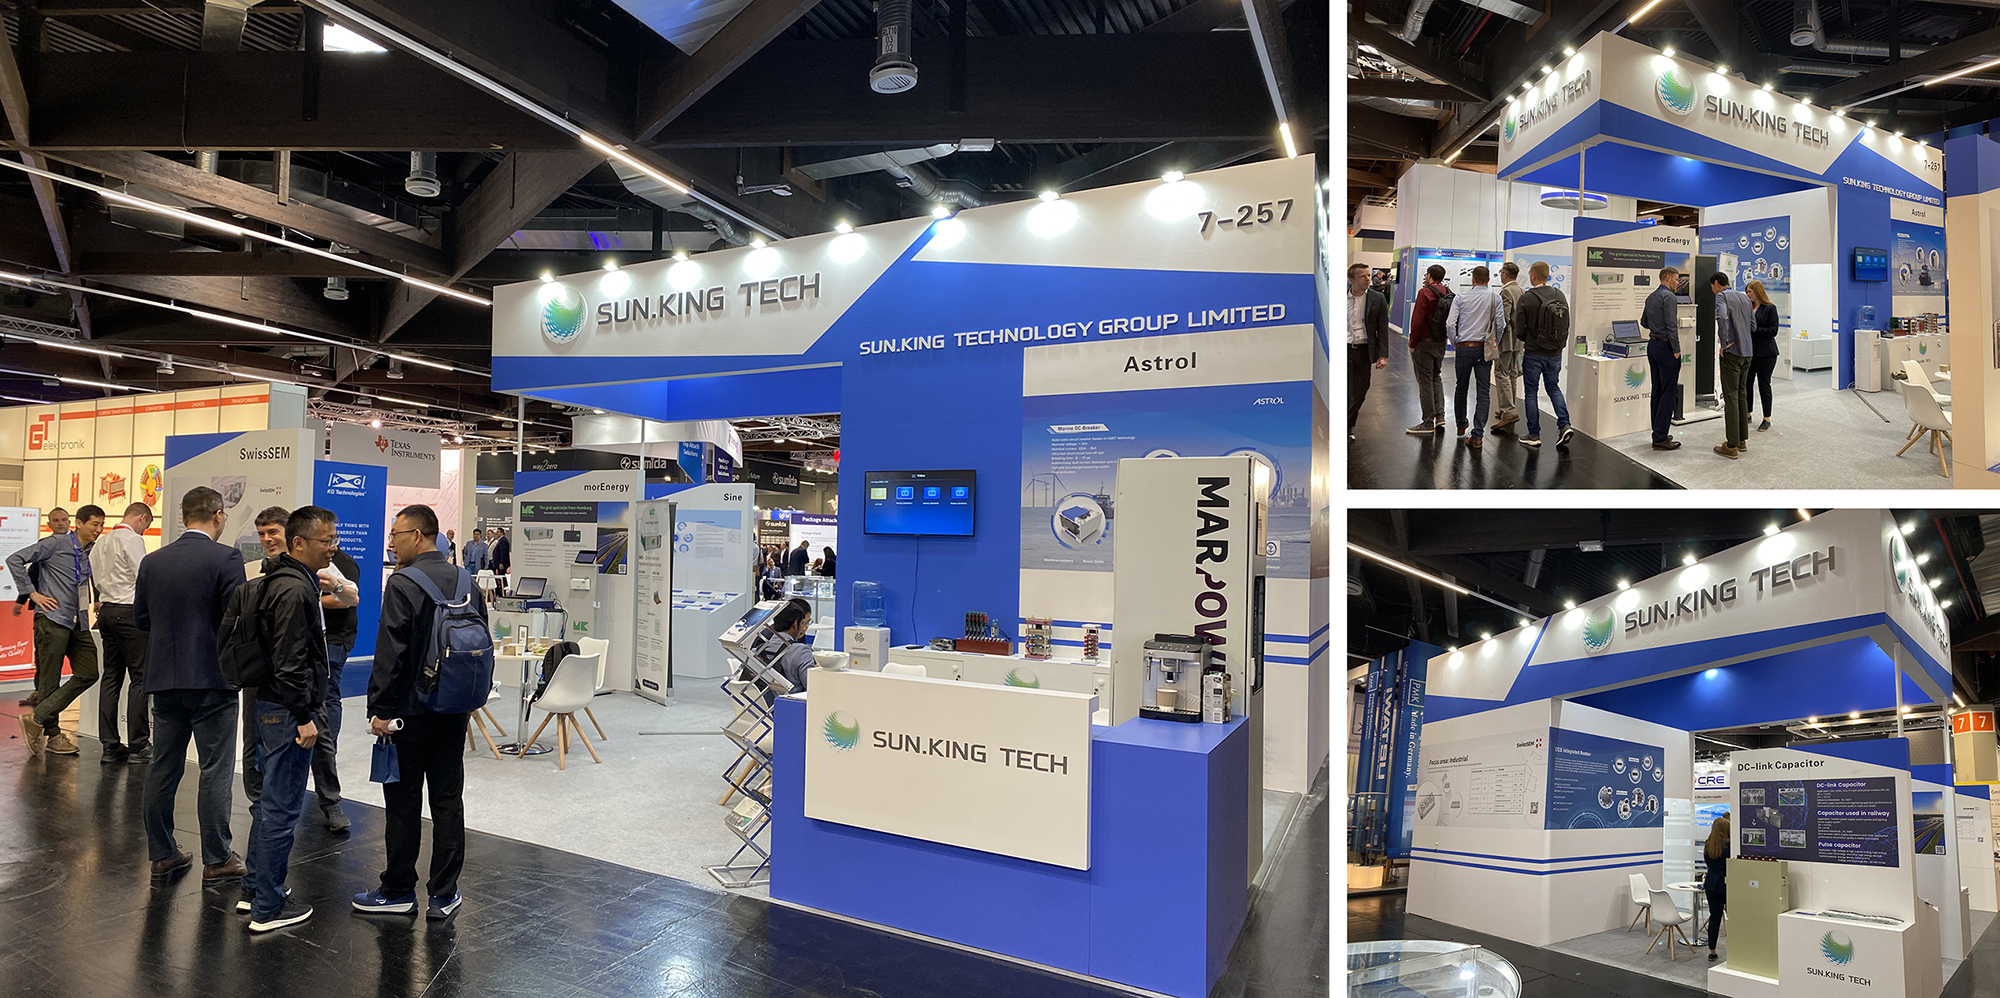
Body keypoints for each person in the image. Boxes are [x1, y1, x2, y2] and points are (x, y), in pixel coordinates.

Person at [354, 504, 480, 921]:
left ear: (419, 536)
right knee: (448, 800)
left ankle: (398, 890)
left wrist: (379, 709)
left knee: (403, 801)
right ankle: (445, 893)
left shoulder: (403, 582)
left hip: (408, 713)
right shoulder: (466, 580)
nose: (391, 543)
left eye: (396, 535)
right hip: (453, 708)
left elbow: (390, 652)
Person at [136, 486, 246, 880]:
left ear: (184, 517)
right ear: (218, 515)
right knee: (215, 769)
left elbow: (142, 619)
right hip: (212, 679)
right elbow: (236, 618)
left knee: (163, 767)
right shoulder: (226, 558)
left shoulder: (153, 561)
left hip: (163, 678)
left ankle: (162, 854)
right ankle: (217, 858)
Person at [239, 505, 339, 934]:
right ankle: (267, 906)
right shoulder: (295, 591)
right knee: (281, 810)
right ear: (299, 543)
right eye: (326, 541)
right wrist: (304, 716)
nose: (332, 548)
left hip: (271, 706)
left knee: (269, 805)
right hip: (286, 711)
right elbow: (290, 662)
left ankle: (254, 889)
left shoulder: (278, 580)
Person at [7, 503, 105, 757]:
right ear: (79, 524)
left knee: (89, 672)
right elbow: (14, 559)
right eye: (94, 524)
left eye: (102, 525)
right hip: (53, 619)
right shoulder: (55, 544)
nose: (98, 529)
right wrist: (32, 594)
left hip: (78, 621)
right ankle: (53, 736)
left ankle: (37, 718)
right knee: (49, 681)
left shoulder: (89, 550)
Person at [90, 502, 154, 764]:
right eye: (146, 526)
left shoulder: (101, 543)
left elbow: (95, 579)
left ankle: (109, 745)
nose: (144, 531)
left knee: (111, 677)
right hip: (129, 612)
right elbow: (144, 577)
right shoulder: (132, 540)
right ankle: (139, 745)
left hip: (106, 612)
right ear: (142, 518)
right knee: (140, 678)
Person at [1512, 261, 1574, 449]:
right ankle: (1564, 425)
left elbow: (1518, 329)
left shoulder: (1527, 298)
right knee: (1553, 387)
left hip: (1534, 352)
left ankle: (1534, 434)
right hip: (1555, 352)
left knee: (1531, 392)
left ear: (1532, 276)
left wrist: (1529, 340)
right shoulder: (1559, 294)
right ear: (1547, 276)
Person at [1445, 264, 1505, 451]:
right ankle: (1478, 435)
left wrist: (1455, 342)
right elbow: (1501, 325)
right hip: (1483, 350)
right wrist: (1494, 343)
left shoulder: (1460, 298)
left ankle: (1461, 424)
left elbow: (1450, 324)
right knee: (1483, 391)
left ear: (1472, 279)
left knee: (1461, 387)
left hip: (1463, 348)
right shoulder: (1495, 298)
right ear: (1489, 280)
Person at [1712, 272, 1756, 459]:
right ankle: (1742, 440)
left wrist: (1724, 342)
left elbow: (1722, 318)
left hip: (1732, 353)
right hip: (1747, 352)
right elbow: (1753, 325)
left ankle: (1731, 445)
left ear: (1716, 283)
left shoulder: (1721, 296)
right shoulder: (1744, 297)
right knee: (1741, 395)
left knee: (1730, 397)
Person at [1404, 264, 1450, 435]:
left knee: (1424, 381)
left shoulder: (1425, 293)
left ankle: (1428, 422)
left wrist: (1412, 342)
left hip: (1424, 343)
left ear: (1429, 276)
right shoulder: (1448, 292)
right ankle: (1440, 416)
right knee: (1436, 377)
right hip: (1441, 342)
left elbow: (1417, 321)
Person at [1641, 266, 1683, 451]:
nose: (1678, 282)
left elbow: (1644, 322)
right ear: (1667, 278)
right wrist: (1676, 349)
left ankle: (1658, 433)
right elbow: (1671, 325)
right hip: (1666, 347)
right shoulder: (1669, 297)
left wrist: (1656, 326)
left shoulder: (1651, 297)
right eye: (1676, 279)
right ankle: (1660, 437)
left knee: (1657, 390)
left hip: (1653, 346)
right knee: (1668, 392)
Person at [1346, 262, 1390, 439]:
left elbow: (1382, 328)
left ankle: (1346, 422)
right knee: (1346, 389)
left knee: (1361, 389)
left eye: (1368, 275)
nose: (1367, 279)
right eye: (1362, 276)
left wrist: (1382, 355)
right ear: (1351, 280)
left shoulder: (1377, 298)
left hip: (1364, 349)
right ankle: (1346, 427)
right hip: (1344, 349)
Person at [1491, 262, 1525, 432]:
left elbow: (1503, 318)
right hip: (1518, 340)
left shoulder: (1506, 291)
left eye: (1501, 272)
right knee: (1511, 373)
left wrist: (1496, 339)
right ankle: (1509, 407)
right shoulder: (1522, 290)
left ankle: (1508, 411)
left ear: (1505, 274)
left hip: (1507, 341)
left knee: (1501, 372)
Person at [1745, 279, 1780, 433]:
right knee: (1747, 383)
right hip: (1750, 352)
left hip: (1766, 354)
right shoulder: (1748, 308)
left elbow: (1773, 331)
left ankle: (1766, 418)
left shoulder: (1770, 308)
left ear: (1757, 292)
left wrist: (1754, 330)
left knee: (1764, 385)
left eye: (1750, 292)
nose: (1747, 295)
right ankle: (1747, 413)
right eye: (1746, 292)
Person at [1705, 813, 1731, 960]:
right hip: (1728, 884)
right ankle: (1736, 949)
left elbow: (1708, 864)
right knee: (1733, 917)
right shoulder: (1730, 846)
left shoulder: (1708, 845)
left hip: (1711, 884)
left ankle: (1712, 951)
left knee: (1714, 918)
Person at [489, 528, 511, 597]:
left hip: (502, 564)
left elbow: (503, 553)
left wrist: (501, 562)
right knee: (500, 579)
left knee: (502, 579)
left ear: (502, 533)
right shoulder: (500, 540)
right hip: (499, 564)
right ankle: (501, 592)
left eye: (498, 532)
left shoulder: (503, 541)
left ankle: (502, 593)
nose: (496, 533)